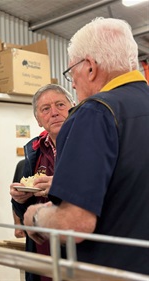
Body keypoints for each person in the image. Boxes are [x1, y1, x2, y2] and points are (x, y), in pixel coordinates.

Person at [23, 17, 149, 275]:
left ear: (90, 67)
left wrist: (35, 217)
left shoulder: (94, 113)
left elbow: (75, 224)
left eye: (72, 72)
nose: (72, 82)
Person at [10, 84, 74, 281]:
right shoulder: (33, 154)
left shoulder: (88, 145)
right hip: (42, 254)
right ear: (38, 119)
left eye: (60, 105)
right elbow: (24, 213)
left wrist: (60, 186)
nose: (54, 113)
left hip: (79, 252)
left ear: (73, 108)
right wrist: (19, 201)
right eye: (45, 109)